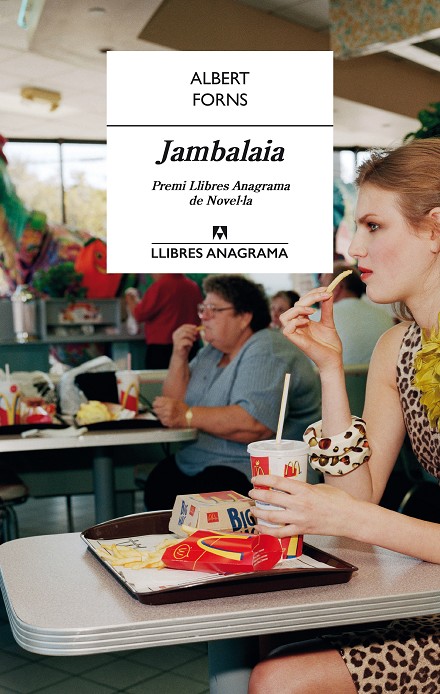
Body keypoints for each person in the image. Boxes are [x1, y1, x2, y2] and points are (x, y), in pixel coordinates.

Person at [248, 138, 440, 694]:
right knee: (272, 642)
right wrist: (330, 369)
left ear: (434, 229)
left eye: (373, 226)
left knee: (279, 678)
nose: (354, 249)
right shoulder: (396, 348)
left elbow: (355, 516)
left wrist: (349, 518)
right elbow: (358, 495)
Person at [146, 274, 321, 510]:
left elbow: (254, 424)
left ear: (244, 317)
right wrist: (179, 354)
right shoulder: (212, 352)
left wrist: (187, 415)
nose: (204, 317)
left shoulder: (267, 348)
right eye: (203, 309)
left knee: (184, 495)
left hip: (253, 472)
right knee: (159, 482)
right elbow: (172, 407)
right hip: (199, 462)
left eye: (214, 310)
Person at [313, 262, 395, 364]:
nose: (318, 291)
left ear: (337, 288)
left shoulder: (317, 318)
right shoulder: (384, 317)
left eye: (322, 285)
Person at [125, 273, 203, 369]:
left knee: (159, 377)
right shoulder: (193, 286)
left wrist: (132, 299)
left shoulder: (160, 287)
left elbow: (139, 314)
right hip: (191, 345)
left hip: (162, 348)